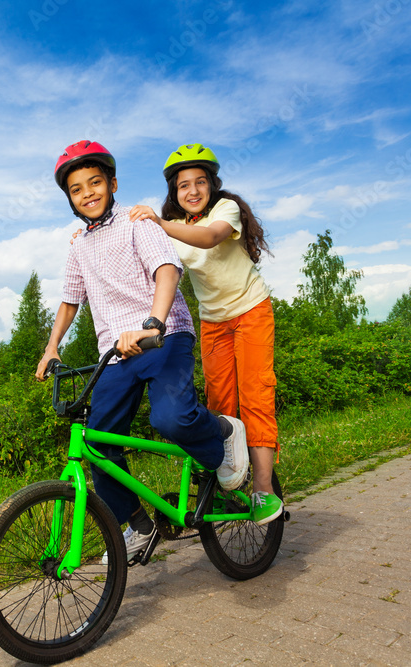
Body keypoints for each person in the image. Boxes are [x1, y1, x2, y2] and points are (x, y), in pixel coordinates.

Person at [36, 140, 250, 561]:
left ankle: (223, 434)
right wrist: (50, 347)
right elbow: (70, 299)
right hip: (115, 353)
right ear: (70, 199)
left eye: (95, 183)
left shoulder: (138, 222)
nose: (88, 194)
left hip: (164, 337)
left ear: (112, 184)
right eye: (77, 189)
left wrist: (153, 322)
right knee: (97, 444)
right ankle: (137, 525)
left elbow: (166, 270)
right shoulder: (78, 243)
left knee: (170, 417)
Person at [127, 143, 282, 525]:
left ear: (212, 185)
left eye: (200, 182)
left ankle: (264, 490)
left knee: (256, 394)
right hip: (213, 322)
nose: (192, 191)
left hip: (251, 311)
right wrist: (86, 242)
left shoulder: (225, 211)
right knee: (222, 404)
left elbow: (211, 237)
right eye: (183, 186)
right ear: (174, 193)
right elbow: (144, 259)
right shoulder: (175, 231)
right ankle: (226, 482)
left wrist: (161, 224)